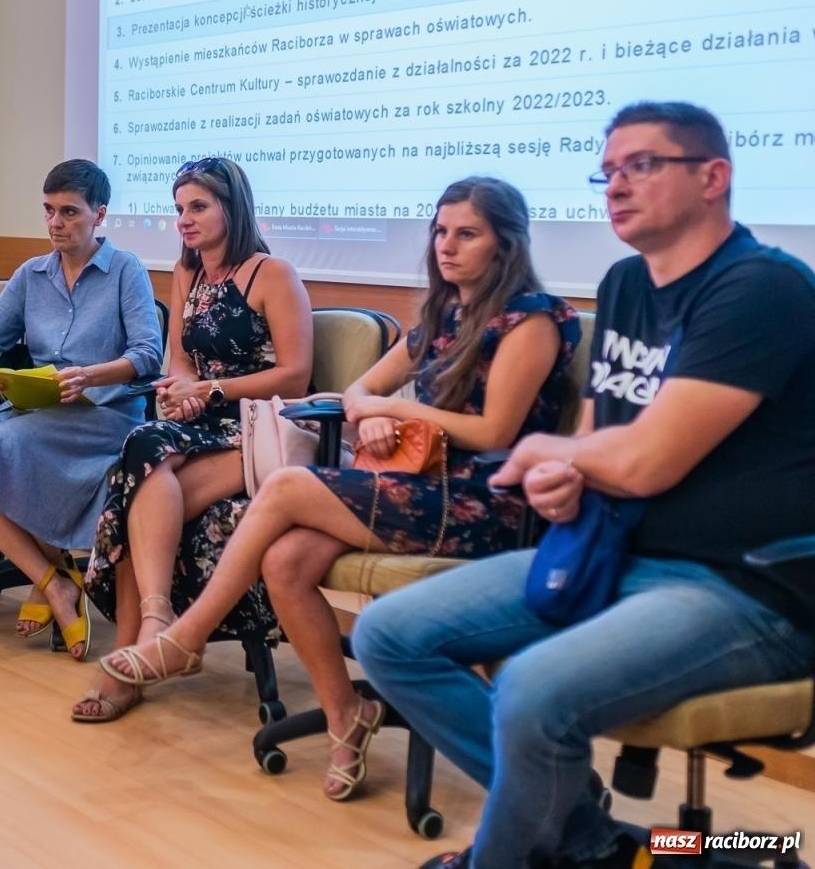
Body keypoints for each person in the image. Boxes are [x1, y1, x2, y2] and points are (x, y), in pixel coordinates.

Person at [352, 104, 815, 869]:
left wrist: (548, 451)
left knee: (533, 690)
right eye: (608, 172)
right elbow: (599, 443)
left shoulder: (763, 289)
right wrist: (564, 477)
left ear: (713, 177)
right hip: (613, 553)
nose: (617, 185)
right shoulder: (627, 284)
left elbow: (646, 463)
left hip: (745, 588)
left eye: (642, 165)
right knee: (388, 635)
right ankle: (583, 840)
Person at [97, 176, 581, 801]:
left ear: (506, 244)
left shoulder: (531, 319)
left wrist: (394, 410)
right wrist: (370, 409)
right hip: (423, 484)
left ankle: (183, 639)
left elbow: (494, 431)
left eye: (467, 234)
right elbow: (358, 389)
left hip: (488, 501)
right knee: (285, 560)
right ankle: (345, 714)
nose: (447, 245)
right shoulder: (445, 316)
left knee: (285, 490)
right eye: (440, 231)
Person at [76, 156, 312, 721]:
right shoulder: (188, 274)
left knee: (135, 488)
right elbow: (179, 358)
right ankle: (155, 629)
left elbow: (295, 376)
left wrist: (209, 390)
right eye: (179, 208)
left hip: (258, 427)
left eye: (198, 207)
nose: (184, 219)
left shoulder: (271, 273)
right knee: (142, 454)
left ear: (232, 207)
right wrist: (180, 389)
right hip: (200, 422)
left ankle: (139, 647)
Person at [0, 160, 162, 662]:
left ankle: (52, 582)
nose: (56, 223)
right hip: (40, 411)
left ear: (100, 214)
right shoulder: (32, 274)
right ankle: (54, 581)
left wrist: (90, 375)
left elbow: (147, 354)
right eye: (49, 210)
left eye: (69, 212)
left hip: (104, 415)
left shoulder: (126, 270)